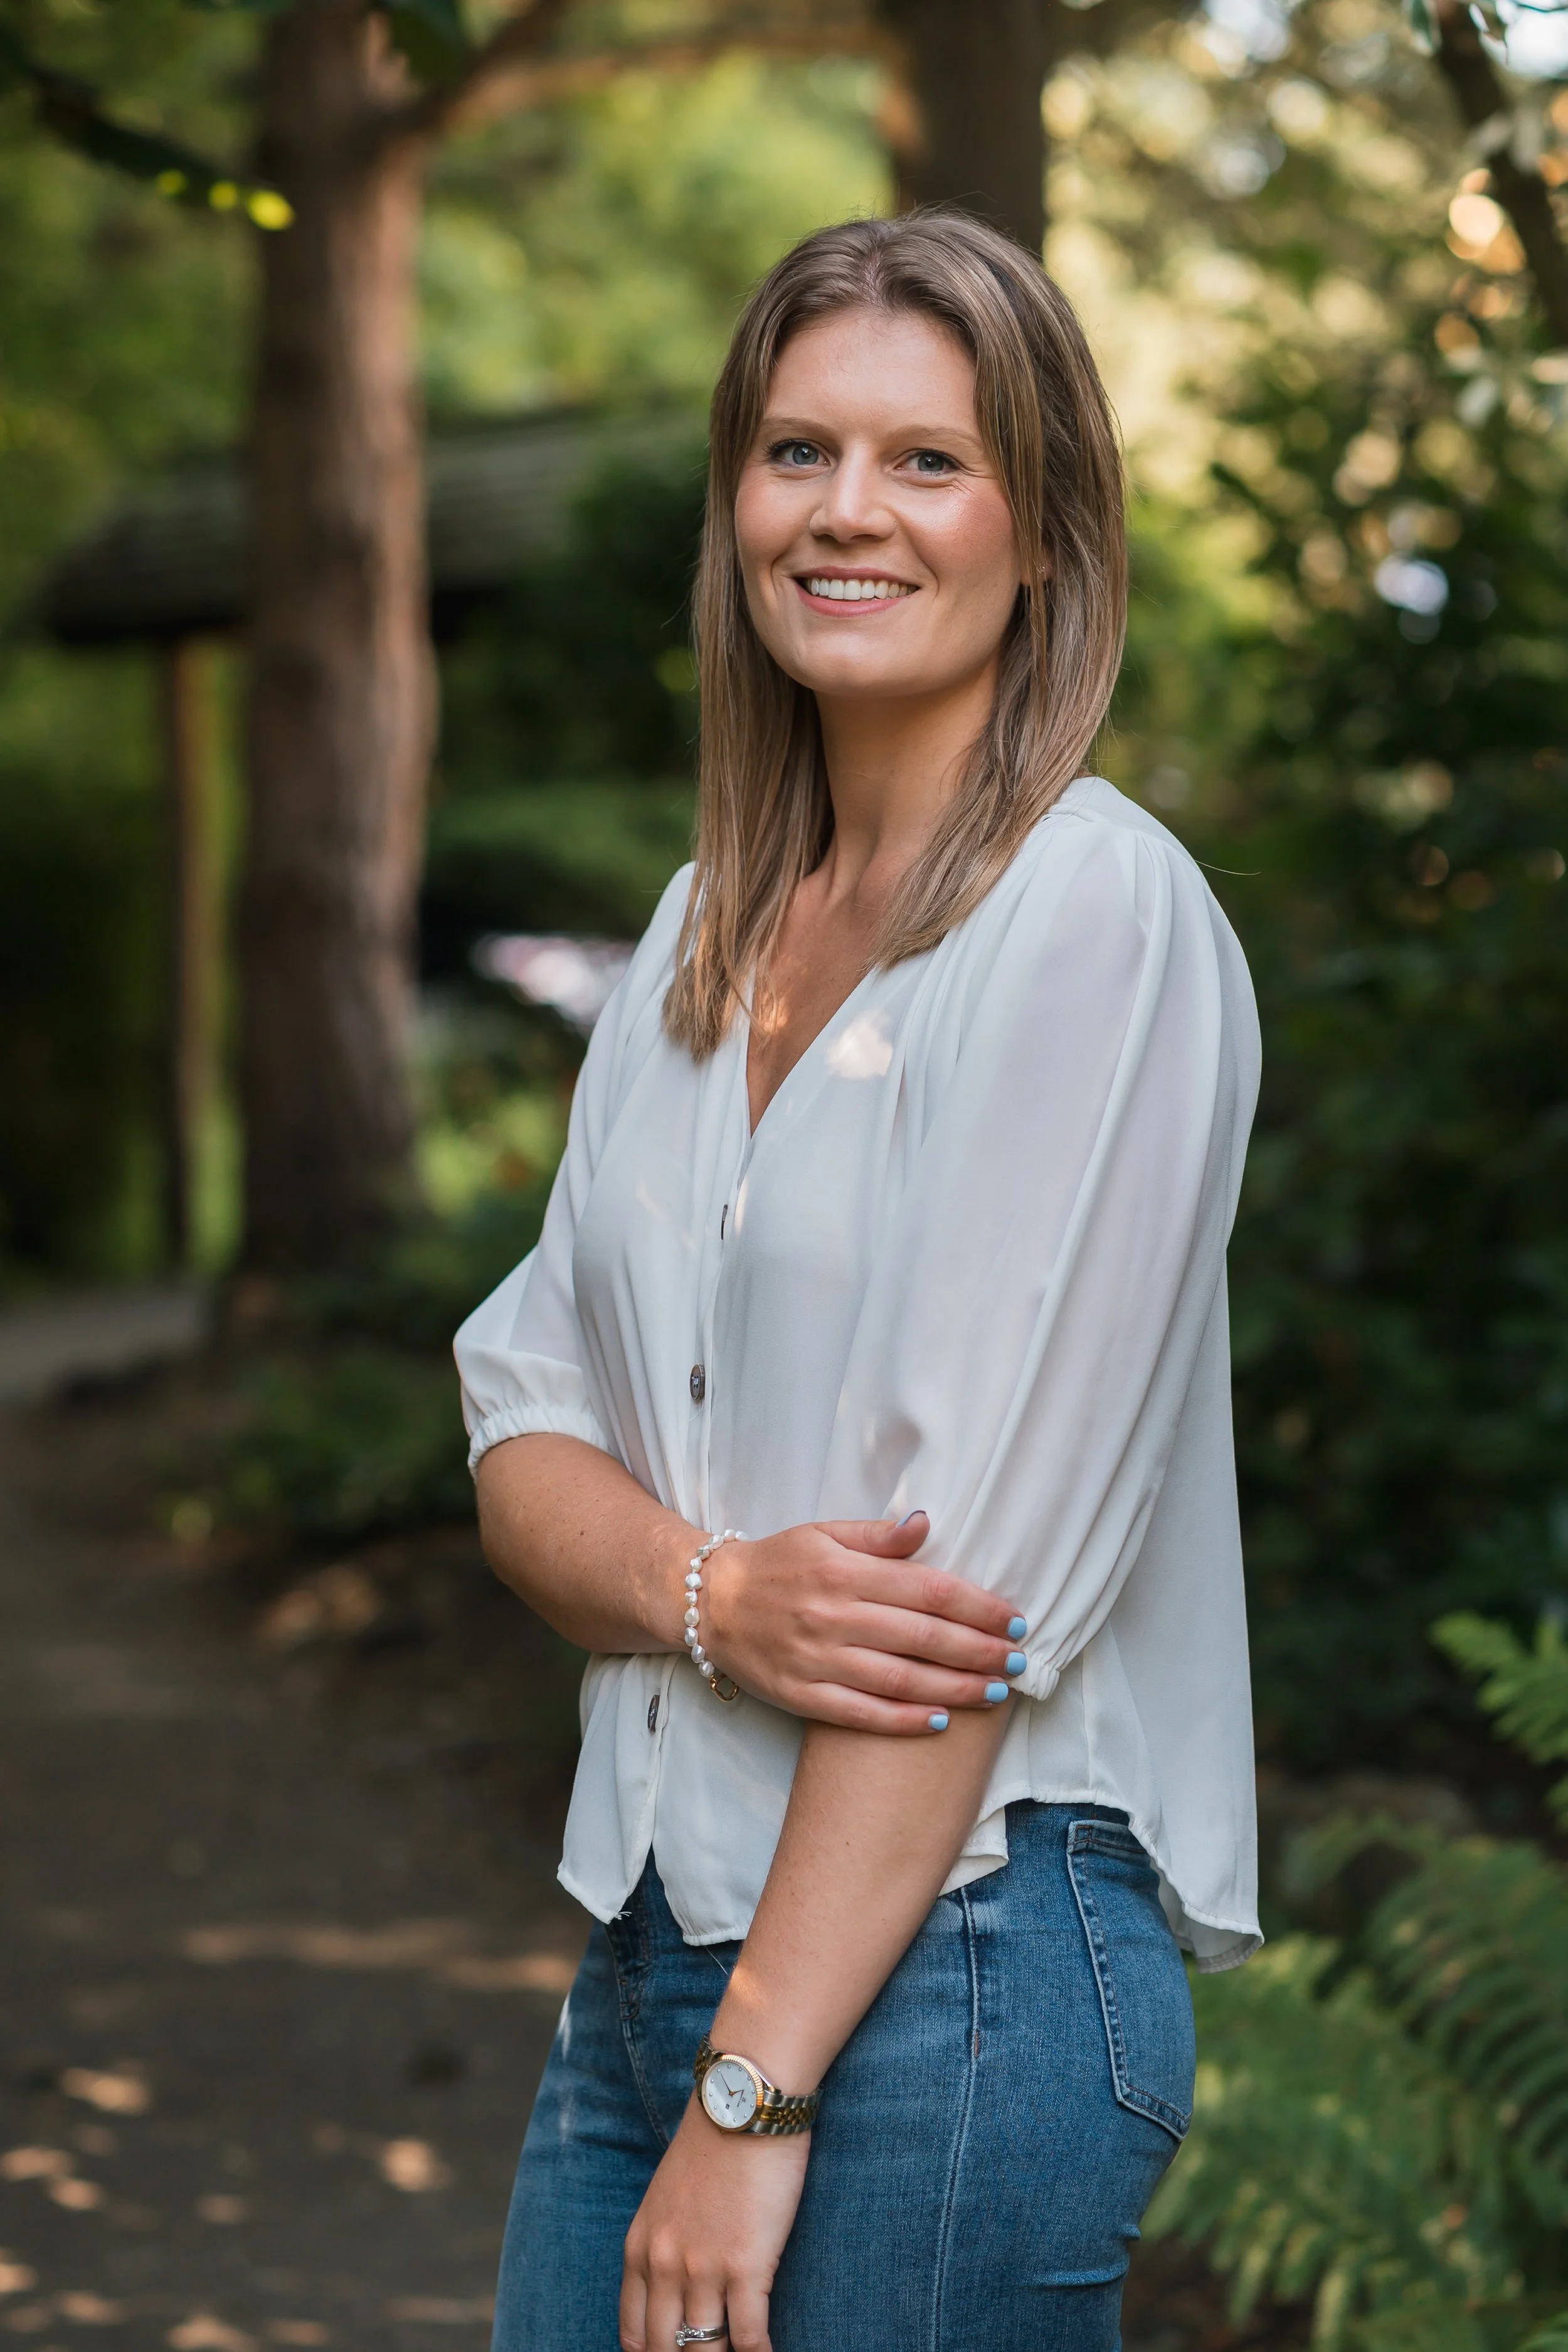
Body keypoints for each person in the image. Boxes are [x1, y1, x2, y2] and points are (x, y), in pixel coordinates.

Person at [455, 209, 1261, 2352]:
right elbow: (521, 1428)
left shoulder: (1091, 919)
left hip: (947, 1978)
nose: (844, 511)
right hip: (652, 1953)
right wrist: (712, 1590)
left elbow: (947, 1619)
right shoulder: (699, 932)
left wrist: (754, 2089)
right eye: (796, 450)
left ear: (1043, 529)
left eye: (927, 460)